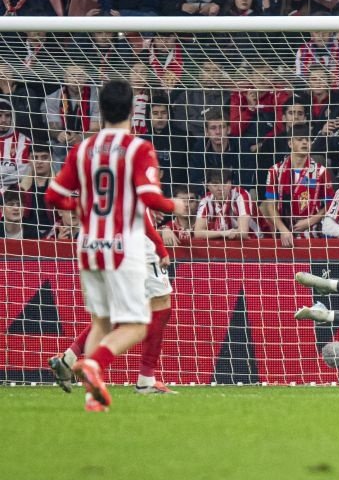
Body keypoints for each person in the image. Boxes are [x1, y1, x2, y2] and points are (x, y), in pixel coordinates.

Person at [44, 79, 186, 412]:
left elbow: (53, 195)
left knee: (102, 323)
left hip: (88, 243)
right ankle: (99, 366)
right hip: (124, 243)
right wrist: (172, 207)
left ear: (100, 109)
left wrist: (79, 209)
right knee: (136, 324)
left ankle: (92, 396)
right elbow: (148, 196)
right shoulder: (138, 148)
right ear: (133, 110)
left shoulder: (83, 148)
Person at [49, 204, 179, 395]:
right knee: (160, 306)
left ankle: (67, 359)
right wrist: (160, 246)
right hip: (138, 244)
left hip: (106, 241)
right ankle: (144, 380)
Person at [261, 126, 334, 246]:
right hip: (283, 232)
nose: (305, 142)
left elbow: (330, 204)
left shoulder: (321, 171)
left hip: (313, 232)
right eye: (300, 139)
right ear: (290, 143)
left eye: (308, 139)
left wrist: (311, 221)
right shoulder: (275, 171)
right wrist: (282, 229)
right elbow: (270, 205)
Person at [194, 168, 263, 240]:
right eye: (215, 184)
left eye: (224, 183)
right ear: (207, 185)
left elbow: (243, 233)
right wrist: (222, 233)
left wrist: (225, 233)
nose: (220, 188)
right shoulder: (206, 200)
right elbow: (198, 233)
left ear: (230, 183)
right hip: (227, 242)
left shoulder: (241, 195)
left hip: (257, 240)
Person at [0, 97, 29, 192]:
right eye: (0, 115)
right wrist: (7, 170)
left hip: (12, 192)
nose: (3, 120)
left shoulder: (24, 141)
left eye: (7, 115)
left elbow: (24, 171)